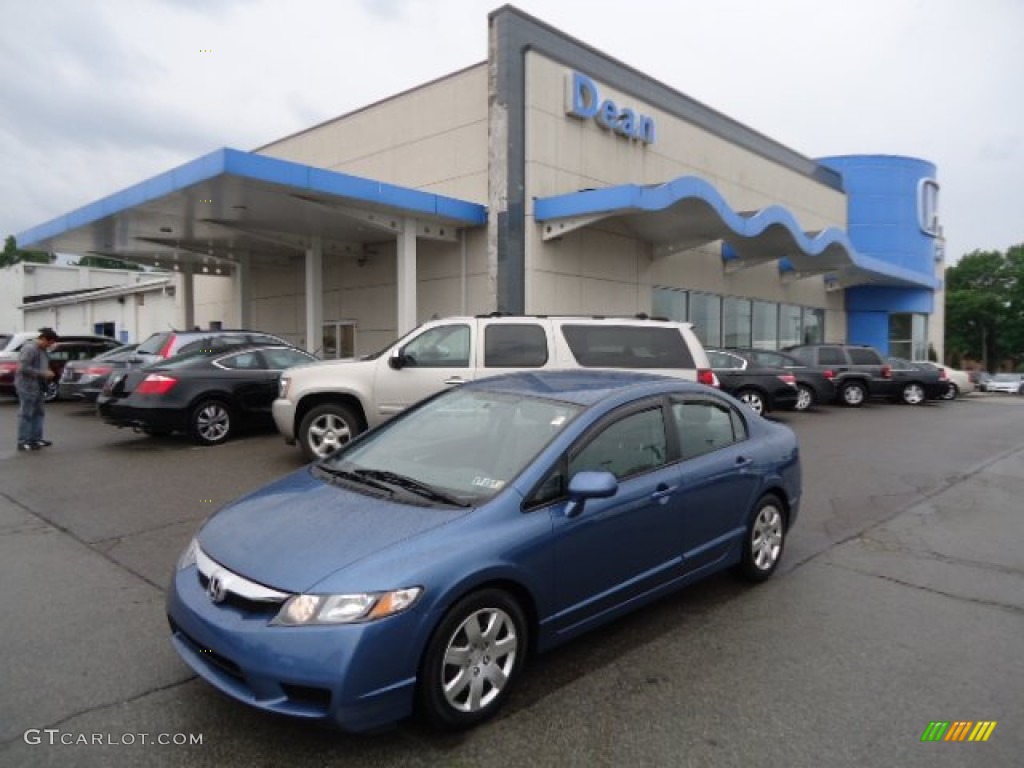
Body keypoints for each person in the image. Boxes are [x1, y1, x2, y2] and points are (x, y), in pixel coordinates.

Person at [15, 327, 59, 451]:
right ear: (43, 339)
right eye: (49, 343)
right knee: (26, 414)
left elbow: (44, 364)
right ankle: (23, 441)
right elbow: (23, 368)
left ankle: (36, 439)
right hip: (27, 386)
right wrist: (42, 373)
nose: (50, 346)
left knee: (39, 413)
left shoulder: (43, 350)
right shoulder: (29, 349)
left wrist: (48, 371)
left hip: (39, 386)